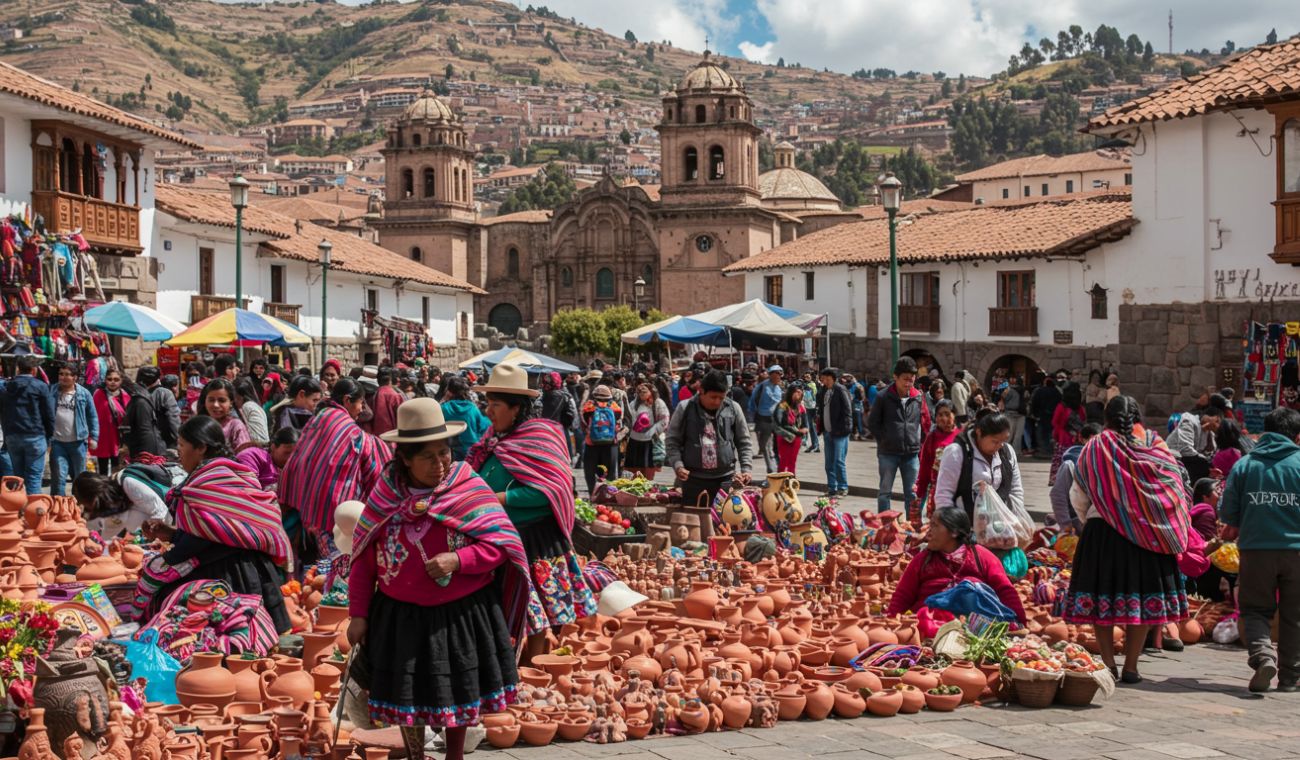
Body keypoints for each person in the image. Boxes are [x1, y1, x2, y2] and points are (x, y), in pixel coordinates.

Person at [349, 399, 527, 760]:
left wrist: (458, 559)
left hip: (459, 614)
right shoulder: (385, 497)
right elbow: (364, 561)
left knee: (459, 689)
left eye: (444, 453)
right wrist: (358, 614)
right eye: (428, 457)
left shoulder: (466, 487)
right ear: (405, 460)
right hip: (401, 616)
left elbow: (500, 546)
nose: (441, 463)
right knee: (407, 694)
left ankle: (454, 754)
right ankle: (416, 755)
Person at [464, 365, 596, 662]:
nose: (488, 412)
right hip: (501, 538)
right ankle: (511, 664)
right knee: (508, 608)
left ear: (516, 408)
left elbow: (551, 491)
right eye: (488, 404)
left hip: (536, 540)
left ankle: (534, 668)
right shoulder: (493, 437)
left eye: (495, 405)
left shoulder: (539, 437)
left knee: (540, 611)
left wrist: (501, 497)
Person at [1060, 395, 1191, 684]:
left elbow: (1078, 493)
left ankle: (1108, 664)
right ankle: (1131, 667)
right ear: (1139, 417)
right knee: (1142, 604)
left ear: (1107, 418)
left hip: (1103, 533)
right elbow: (1174, 488)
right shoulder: (1157, 446)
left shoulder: (1097, 446)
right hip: (1149, 536)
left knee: (1100, 601)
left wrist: (1099, 514)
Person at [133, 416, 292, 634]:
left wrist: (167, 560)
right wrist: (170, 534)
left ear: (200, 447)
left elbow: (204, 537)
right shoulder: (232, 472)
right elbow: (213, 530)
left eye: (181, 445)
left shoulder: (206, 481)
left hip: (230, 576)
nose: (178, 452)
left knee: (218, 637)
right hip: (257, 573)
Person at [1218, 405, 1300, 693]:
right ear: (1297, 436)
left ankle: (1264, 655)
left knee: (1254, 610)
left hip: (1256, 550)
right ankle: (1290, 677)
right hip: (1297, 552)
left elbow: (1228, 513)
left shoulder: (1245, 464)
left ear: (1265, 432)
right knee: (1295, 615)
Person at [279, 378, 392, 561]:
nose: (362, 409)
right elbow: (376, 472)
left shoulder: (319, 419)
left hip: (307, 511)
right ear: (347, 400)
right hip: (332, 516)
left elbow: (299, 461)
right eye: (360, 403)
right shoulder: (351, 432)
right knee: (338, 570)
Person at [886, 506, 1026, 637]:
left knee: (971, 587)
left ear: (954, 532)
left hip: (975, 629)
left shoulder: (982, 557)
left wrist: (1021, 623)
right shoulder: (923, 559)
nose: (928, 533)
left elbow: (1005, 590)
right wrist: (891, 623)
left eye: (935, 526)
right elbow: (902, 595)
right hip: (930, 627)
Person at [666, 369, 753, 508]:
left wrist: (746, 469)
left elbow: (744, 442)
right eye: (713, 397)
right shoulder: (685, 408)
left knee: (724, 525)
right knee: (695, 524)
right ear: (701, 391)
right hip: (693, 480)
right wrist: (678, 465)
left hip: (726, 479)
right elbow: (672, 441)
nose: (717, 401)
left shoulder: (733, 408)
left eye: (721, 397)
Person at [867, 357, 931, 514]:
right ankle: (885, 525)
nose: (908, 383)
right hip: (888, 453)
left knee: (912, 493)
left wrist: (920, 443)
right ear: (895, 377)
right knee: (885, 492)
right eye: (905, 379)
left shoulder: (918, 397)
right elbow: (873, 422)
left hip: (911, 454)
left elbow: (925, 422)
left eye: (912, 379)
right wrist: (884, 439)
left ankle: (912, 526)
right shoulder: (883, 396)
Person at [934, 412, 1025, 522]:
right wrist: (952, 528)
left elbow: (1015, 490)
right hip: (965, 526)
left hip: (1000, 527)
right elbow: (944, 495)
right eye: (995, 441)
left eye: (1003, 441)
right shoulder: (956, 452)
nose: (1000, 446)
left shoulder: (1007, 452)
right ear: (979, 432)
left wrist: (1017, 520)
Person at [72, 464, 172, 539]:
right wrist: (100, 543)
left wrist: (155, 540)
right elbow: (113, 525)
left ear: (93, 495)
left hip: (173, 512)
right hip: (154, 521)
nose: (90, 508)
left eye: (88, 504)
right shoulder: (111, 498)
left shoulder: (128, 483)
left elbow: (161, 512)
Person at [1, 355, 53, 494]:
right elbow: (48, 415)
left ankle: (18, 510)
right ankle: (33, 513)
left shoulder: (7, 387)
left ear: (18, 369)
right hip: (35, 436)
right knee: (34, 479)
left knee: (18, 478)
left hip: (13, 436)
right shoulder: (41, 386)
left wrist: (7, 437)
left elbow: (4, 414)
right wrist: (49, 438)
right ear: (34, 370)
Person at [49, 364, 97, 496]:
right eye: (61, 374)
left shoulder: (83, 393)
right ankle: (59, 509)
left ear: (74, 377)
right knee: (58, 477)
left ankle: (78, 505)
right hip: (57, 442)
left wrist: (94, 437)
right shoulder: (52, 391)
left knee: (79, 477)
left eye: (67, 374)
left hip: (78, 443)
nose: (63, 377)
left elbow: (92, 416)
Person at [1049, 422, 1103, 532]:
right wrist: (1066, 524)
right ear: (1082, 440)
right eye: (1090, 439)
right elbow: (1057, 496)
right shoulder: (1070, 465)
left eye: (1098, 440)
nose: (1094, 444)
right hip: (1075, 526)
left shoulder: (1102, 464)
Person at [915, 401, 960, 521]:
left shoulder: (961, 437)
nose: (943, 418)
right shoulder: (931, 438)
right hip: (938, 494)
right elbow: (924, 469)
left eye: (947, 414)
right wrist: (919, 495)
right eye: (940, 415)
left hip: (958, 494)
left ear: (954, 415)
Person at [1166, 397, 1225, 483]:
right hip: (1175, 461)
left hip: (1191, 464)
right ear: (1211, 417)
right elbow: (1185, 449)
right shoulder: (1189, 420)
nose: (1217, 426)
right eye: (1217, 421)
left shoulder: (1209, 433)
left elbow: (1209, 453)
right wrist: (1205, 462)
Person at [580, 385, 623, 495]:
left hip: (592, 444)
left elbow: (584, 423)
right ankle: (608, 496)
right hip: (610, 445)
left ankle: (593, 494)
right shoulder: (615, 407)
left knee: (591, 472)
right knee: (610, 473)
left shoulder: (588, 407)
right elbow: (619, 423)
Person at [817, 367, 853, 497]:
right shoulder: (823, 391)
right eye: (823, 378)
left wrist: (847, 429)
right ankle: (832, 488)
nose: (824, 381)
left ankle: (843, 487)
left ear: (833, 378)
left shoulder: (840, 390)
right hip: (828, 432)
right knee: (829, 462)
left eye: (827, 378)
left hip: (840, 433)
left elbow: (848, 411)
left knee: (838, 461)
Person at [624, 382, 669, 480]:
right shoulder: (634, 403)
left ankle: (647, 483)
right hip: (634, 438)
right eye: (639, 392)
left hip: (649, 439)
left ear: (651, 391)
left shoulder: (658, 403)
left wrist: (654, 431)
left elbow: (664, 419)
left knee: (647, 465)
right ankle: (633, 483)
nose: (642, 394)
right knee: (633, 465)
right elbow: (629, 418)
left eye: (644, 391)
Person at [440, 375, 491, 461]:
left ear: (449, 391)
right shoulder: (472, 408)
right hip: (472, 454)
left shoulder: (444, 408)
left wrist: (445, 398)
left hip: (451, 455)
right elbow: (485, 427)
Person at [121, 367, 167, 461]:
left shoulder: (140, 400)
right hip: (145, 447)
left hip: (145, 449)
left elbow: (143, 428)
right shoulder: (141, 397)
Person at [90, 368, 129, 476]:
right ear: (105, 380)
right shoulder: (98, 395)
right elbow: (91, 416)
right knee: (102, 471)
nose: (113, 382)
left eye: (116, 379)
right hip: (103, 439)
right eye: (110, 379)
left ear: (121, 381)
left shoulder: (126, 396)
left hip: (119, 439)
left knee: (118, 469)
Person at [197, 378, 252, 453]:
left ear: (231, 403)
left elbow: (244, 457)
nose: (216, 405)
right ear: (205, 401)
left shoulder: (236, 426)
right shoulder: (198, 425)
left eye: (221, 400)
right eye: (211, 400)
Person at [236, 426, 300, 491]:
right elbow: (248, 488)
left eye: (295, 455)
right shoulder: (252, 456)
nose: (291, 459)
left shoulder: (294, 469)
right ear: (273, 447)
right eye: (287, 453)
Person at [748, 365, 784, 473]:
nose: (779, 376)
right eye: (777, 374)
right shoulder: (762, 386)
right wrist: (753, 416)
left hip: (777, 420)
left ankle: (778, 469)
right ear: (771, 374)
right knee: (765, 446)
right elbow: (752, 401)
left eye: (780, 374)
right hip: (763, 419)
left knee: (777, 446)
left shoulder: (778, 388)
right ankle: (770, 469)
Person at [1049, 381, 1086, 485]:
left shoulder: (1062, 407)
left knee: (1060, 460)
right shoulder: (1080, 408)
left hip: (1063, 438)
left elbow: (1055, 422)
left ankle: (1056, 479)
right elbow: (1083, 420)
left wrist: (1056, 435)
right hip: (1077, 439)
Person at [772, 384, 808, 475]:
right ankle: (780, 481)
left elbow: (805, 422)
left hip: (797, 438)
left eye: (800, 393)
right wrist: (797, 431)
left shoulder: (800, 407)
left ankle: (791, 481)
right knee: (784, 460)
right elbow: (779, 423)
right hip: (784, 436)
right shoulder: (782, 406)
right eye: (797, 392)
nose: (798, 395)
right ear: (791, 392)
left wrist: (804, 429)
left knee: (792, 461)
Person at [1029, 373, 1062, 458]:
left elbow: (1034, 403)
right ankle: (1050, 451)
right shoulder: (1057, 392)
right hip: (1053, 416)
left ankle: (1043, 450)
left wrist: (1034, 414)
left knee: (1041, 434)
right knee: (1051, 434)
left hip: (1042, 416)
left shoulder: (1040, 391)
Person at [234, 377, 270, 446]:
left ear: (240, 396)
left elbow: (257, 437)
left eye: (235, 396)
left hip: (256, 447)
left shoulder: (247, 406)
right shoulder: (255, 405)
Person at [369, 367, 403, 436]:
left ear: (378, 381)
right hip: (392, 437)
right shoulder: (396, 396)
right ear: (391, 380)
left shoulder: (371, 396)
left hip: (376, 438)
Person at [999, 375, 1027, 454]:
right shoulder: (1025, 390)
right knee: (1018, 435)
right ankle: (1016, 452)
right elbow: (1027, 399)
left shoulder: (1009, 390)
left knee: (1009, 434)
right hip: (1021, 413)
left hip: (1010, 413)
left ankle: (1004, 450)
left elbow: (1003, 398)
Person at [801, 372, 821, 454]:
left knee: (811, 427)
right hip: (806, 407)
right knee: (810, 426)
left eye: (808, 376)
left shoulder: (812, 384)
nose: (806, 378)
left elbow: (814, 392)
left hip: (812, 408)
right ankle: (815, 445)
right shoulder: (804, 385)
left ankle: (815, 445)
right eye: (805, 376)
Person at [844, 374, 867, 441]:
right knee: (857, 420)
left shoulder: (854, 386)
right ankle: (857, 434)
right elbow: (862, 397)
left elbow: (861, 397)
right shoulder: (855, 385)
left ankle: (856, 434)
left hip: (854, 405)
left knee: (855, 420)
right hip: (856, 405)